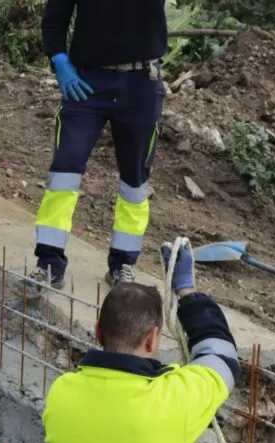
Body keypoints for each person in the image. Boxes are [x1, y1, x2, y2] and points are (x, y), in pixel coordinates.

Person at [42, 241, 241, 443]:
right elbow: (222, 356)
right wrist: (187, 292)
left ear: (97, 332)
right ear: (152, 338)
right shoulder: (174, 398)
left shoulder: (62, 393)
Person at [27, 0, 167, 298]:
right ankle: (49, 262)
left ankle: (122, 263)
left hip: (141, 83)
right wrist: (60, 61)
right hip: (86, 82)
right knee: (65, 169)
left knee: (135, 180)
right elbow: (54, 21)